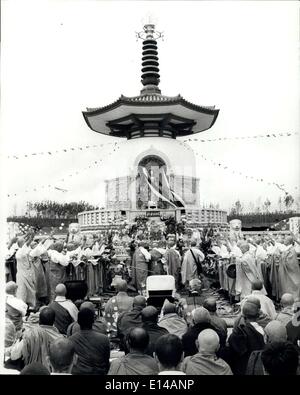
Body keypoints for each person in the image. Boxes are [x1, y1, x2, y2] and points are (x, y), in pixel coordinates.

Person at [228, 298, 265, 375]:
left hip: (239, 369)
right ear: (258, 315)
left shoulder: (237, 333)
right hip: (257, 368)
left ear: (243, 316)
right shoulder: (263, 332)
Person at [69, 308, 110, 375]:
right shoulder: (104, 339)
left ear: (78, 322)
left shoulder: (70, 340)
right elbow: (106, 362)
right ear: (93, 321)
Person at [15, 231, 37, 308]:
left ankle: (31, 306)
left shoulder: (26, 250)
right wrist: (30, 237)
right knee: (22, 291)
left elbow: (31, 256)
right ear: (22, 244)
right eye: (24, 242)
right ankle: (22, 307)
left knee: (31, 291)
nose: (26, 243)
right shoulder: (19, 252)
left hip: (28, 273)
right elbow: (27, 244)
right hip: (22, 275)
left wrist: (29, 235)